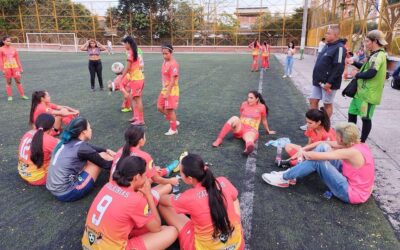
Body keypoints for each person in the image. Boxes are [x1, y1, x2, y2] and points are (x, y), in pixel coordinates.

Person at [262, 122, 375, 205]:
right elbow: (323, 143)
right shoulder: (356, 143)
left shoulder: (350, 152)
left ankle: (284, 178)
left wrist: (303, 152)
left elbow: (315, 157)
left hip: (351, 193)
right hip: (353, 182)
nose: (335, 137)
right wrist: (303, 149)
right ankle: (291, 175)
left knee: (318, 162)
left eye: (337, 136)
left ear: (341, 139)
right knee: (323, 147)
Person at [82, 156, 178, 250]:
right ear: (137, 177)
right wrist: (148, 195)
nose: (146, 178)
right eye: (144, 175)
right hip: (110, 246)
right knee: (170, 231)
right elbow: (157, 227)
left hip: (88, 243)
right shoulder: (136, 200)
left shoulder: (108, 185)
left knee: (141, 225)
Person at [159, 153, 244, 249]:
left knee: (163, 206)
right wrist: (237, 220)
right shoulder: (222, 181)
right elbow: (235, 199)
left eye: (181, 173)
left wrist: (168, 193)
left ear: (190, 179)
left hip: (203, 246)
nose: (180, 175)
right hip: (237, 245)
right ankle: (237, 224)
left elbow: (162, 200)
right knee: (232, 200)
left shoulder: (188, 197)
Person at [46, 117, 115, 202]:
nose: (91, 130)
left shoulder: (66, 141)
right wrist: (120, 159)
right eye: (89, 128)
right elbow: (105, 164)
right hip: (67, 192)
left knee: (100, 155)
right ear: (83, 132)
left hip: (54, 188)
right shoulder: (82, 148)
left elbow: (89, 147)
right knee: (104, 157)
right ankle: (119, 183)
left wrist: (106, 150)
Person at [300, 25, 346, 130]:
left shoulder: (339, 48)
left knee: (327, 104)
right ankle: (311, 123)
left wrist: (329, 82)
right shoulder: (327, 46)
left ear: (336, 35)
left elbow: (339, 67)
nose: (326, 35)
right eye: (326, 33)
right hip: (318, 81)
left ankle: (323, 125)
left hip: (328, 83)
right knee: (313, 100)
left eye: (328, 33)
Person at [347, 30, 387, 143]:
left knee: (365, 118)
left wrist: (356, 74)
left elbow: (371, 73)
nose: (365, 43)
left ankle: (362, 141)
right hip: (360, 93)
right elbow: (366, 67)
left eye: (367, 41)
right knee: (352, 114)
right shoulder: (374, 54)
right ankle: (351, 137)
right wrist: (353, 63)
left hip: (368, 95)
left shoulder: (379, 56)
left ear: (375, 41)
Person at [110, 125, 180, 187]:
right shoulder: (145, 156)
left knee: (154, 170)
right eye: (145, 137)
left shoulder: (120, 150)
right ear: (141, 140)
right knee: (167, 187)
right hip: (129, 191)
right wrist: (171, 181)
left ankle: (166, 170)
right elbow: (156, 179)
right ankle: (167, 170)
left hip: (113, 187)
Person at [212, 90, 276, 155]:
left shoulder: (262, 107)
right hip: (241, 128)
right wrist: (234, 125)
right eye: (248, 97)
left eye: (251, 98)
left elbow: (264, 120)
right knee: (234, 118)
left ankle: (248, 148)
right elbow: (241, 116)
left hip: (251, 130)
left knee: (249, 139)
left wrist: (268, 130)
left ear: (257, 99)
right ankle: (219, 140)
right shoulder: (244, 104)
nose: (249, 99)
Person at [18, 113, 59, 185]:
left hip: (23, 172)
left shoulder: (28, 133)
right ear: (51, 127)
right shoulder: (48, 140)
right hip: (38, 178)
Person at [119, 36, 145, 125]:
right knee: (133, 99)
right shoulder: (133, 51)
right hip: (135, 78)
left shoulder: (131, 53)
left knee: (137, 99)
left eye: (124, 44)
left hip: (137, 79)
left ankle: (141, 120)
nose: (124, 46)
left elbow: (128, 67)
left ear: (128, 43)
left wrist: (122, 77)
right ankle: (136, 116)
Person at [158, 44, 180, 135]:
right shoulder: (165, 61)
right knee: (159, 107)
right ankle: (174, 121)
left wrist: (168, 92)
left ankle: (173, 129)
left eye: (166, 54)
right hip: (165, 89)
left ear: (171, 53)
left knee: (170, 110)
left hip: (171, 90)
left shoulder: (173, 64)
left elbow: (172, 80)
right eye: (163, 53)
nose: (164, 55)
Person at [0, 36, 29, 101]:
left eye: (10, 41)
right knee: (9, 82)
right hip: (7, 67)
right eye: (7, 41)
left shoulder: (13, 49)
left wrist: (20, 68)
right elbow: (0, 60)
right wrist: (2, 69)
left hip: (15, 67)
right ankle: (10, 96)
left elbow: (17, 59)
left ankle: (22, 95)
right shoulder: (1, 49)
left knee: (18, 81)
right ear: (3, 41)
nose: (9, 42)